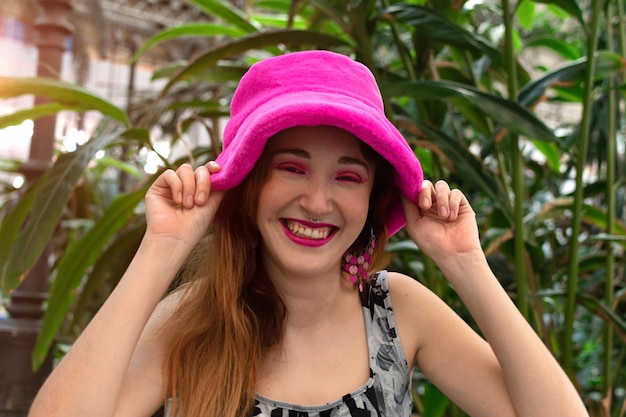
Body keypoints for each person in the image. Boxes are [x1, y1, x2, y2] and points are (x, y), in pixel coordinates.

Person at [28, 50, 587, 417]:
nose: (317, 201)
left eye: (348, 176)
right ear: (249, 186)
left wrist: (465, 262)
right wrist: (163, 249)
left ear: (371, 200)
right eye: (291, 167)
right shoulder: (192, 320)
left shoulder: (396, 312)